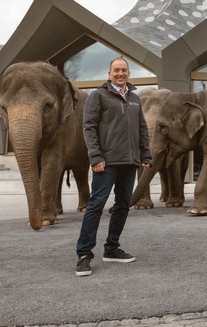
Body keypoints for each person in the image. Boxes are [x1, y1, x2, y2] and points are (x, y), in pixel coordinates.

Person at [75, 56, 152, 277]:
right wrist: (95, 157)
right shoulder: (98, 96)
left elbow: (142, 129)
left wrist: (145, 153)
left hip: (129, 162)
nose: (120, 73)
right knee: (96, 205)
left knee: (122, 206)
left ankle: (111, 248)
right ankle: (84, 254)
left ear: (129, 74)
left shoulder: (135, 99)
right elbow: (88, 127)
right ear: (109, 74)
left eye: (124, 70)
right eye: (116, 70)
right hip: (105, 163)